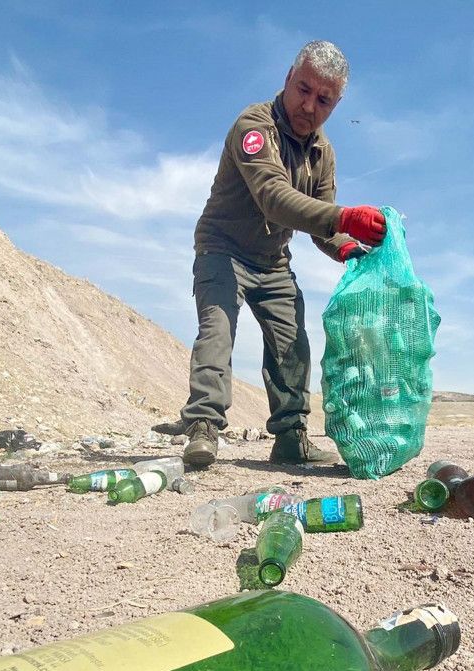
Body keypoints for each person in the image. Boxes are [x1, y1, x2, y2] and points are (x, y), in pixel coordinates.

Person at [166, 40, 386, 468]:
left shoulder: (322, 153)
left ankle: (291, 437)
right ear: (288, 78)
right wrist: (345, 217)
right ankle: (203, 427)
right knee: (218, 330)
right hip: (222, 248)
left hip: (272, 260)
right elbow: (274, 198)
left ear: (336, 103)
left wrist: (348, 249)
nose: (309, 105)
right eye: (304, 89)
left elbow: (320, 228)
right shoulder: (255, 125)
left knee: (292, 345)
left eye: (324, 99)